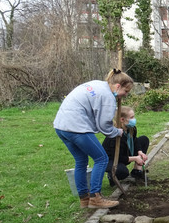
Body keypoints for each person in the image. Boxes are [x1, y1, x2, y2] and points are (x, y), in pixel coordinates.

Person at [54, 68, 133, 209]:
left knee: (81, 161)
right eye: (125, 91)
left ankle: (84, 198)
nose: (125, 95)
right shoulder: (108, 97)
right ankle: (95, 197)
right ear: (118, 86)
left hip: (61, 126)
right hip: (76, 127)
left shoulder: (98, 85)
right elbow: (105, 126)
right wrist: (117, 131)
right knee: (101, 158)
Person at [102, 105, 149, 187]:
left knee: (144, 139)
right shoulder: (115, 136)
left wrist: (140, 152)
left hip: (125, 152)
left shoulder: (131, 128)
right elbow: (119, 157)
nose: (134, 119)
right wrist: (135, 158)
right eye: (131, 117)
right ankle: (112, 176)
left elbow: (135, 140)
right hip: (111, 159)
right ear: (122, 119)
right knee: (123, 172)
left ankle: (137, 171)